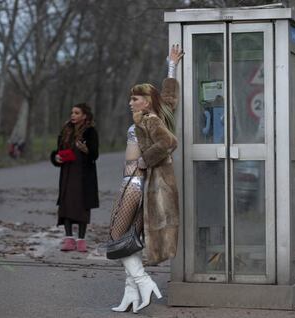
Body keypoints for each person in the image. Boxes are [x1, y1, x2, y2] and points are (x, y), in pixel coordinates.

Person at [109, 45, 184, 313]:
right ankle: (131, 293)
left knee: (116, 234)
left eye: (135, 99)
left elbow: (168, 142)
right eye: (130, 99)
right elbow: (169, 97)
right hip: (144, 186)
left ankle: (144, 282)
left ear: (147, 102)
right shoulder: (159, 113)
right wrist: (171, 65)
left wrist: (145, 159)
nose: (131, 102)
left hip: (134, 184)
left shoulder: (148, 120)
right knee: (131, 238)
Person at [50, 103, 99, 252]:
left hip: (83, 174)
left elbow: (95, 154)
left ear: (84, 116)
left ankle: (81, 240)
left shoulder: (90, 131)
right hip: (67, 172)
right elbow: (58, 151)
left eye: (77, 113)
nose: (73, 115)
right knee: (66, 204)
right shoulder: (66, 130)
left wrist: (86, 150)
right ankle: (69, 239)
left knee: (82, 205)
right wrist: (56, 157)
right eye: (72, 112)